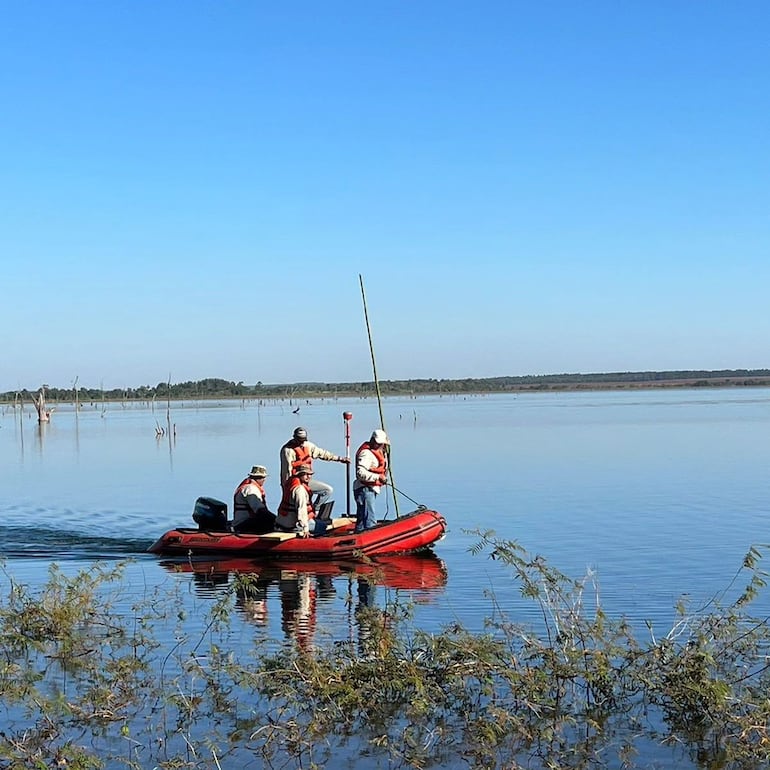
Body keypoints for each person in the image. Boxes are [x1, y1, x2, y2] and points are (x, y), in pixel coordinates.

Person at [279, 426, 349, 503]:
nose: (301, 443)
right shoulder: (287, 451)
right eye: (299, 440)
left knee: (327, 490)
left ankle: (315, 510)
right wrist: (286, 488)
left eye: (303, 440)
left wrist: (340, 459)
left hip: (307, 480)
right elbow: (286, 471)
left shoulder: (308, 445)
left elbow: (322, 453)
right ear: (294, 438)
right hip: (295, 482)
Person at [276, 464, 327, 537]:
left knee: (318, 523)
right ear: (299, 474)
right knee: (322, 526)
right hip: (291, 525)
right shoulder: (300, 490)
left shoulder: (290, 483)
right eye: (305, 474)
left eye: (310, 474)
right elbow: (301, 510)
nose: (308, 476)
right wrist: (305, 529)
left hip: (281, 522)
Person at [353, 429, 389, 533]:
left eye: (381, 444)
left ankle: (359, 537)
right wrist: (377, 477)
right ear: (372, 440)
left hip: (370, 489)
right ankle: (369, 536)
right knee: (369, 518)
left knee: (362, 519)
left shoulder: (381, 452)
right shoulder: (366, 454)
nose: (379, 446)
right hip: (364, 489)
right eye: (378, 443)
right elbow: (360, 473)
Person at [232, 465, 276, 534]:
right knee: (269, 522)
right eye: (262, 478)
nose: (264, 480)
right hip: (243, 524)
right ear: (257, 478)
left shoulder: (249, 486)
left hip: (244, 522)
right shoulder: (251, 489)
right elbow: (260, 510)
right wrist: (276, 520)